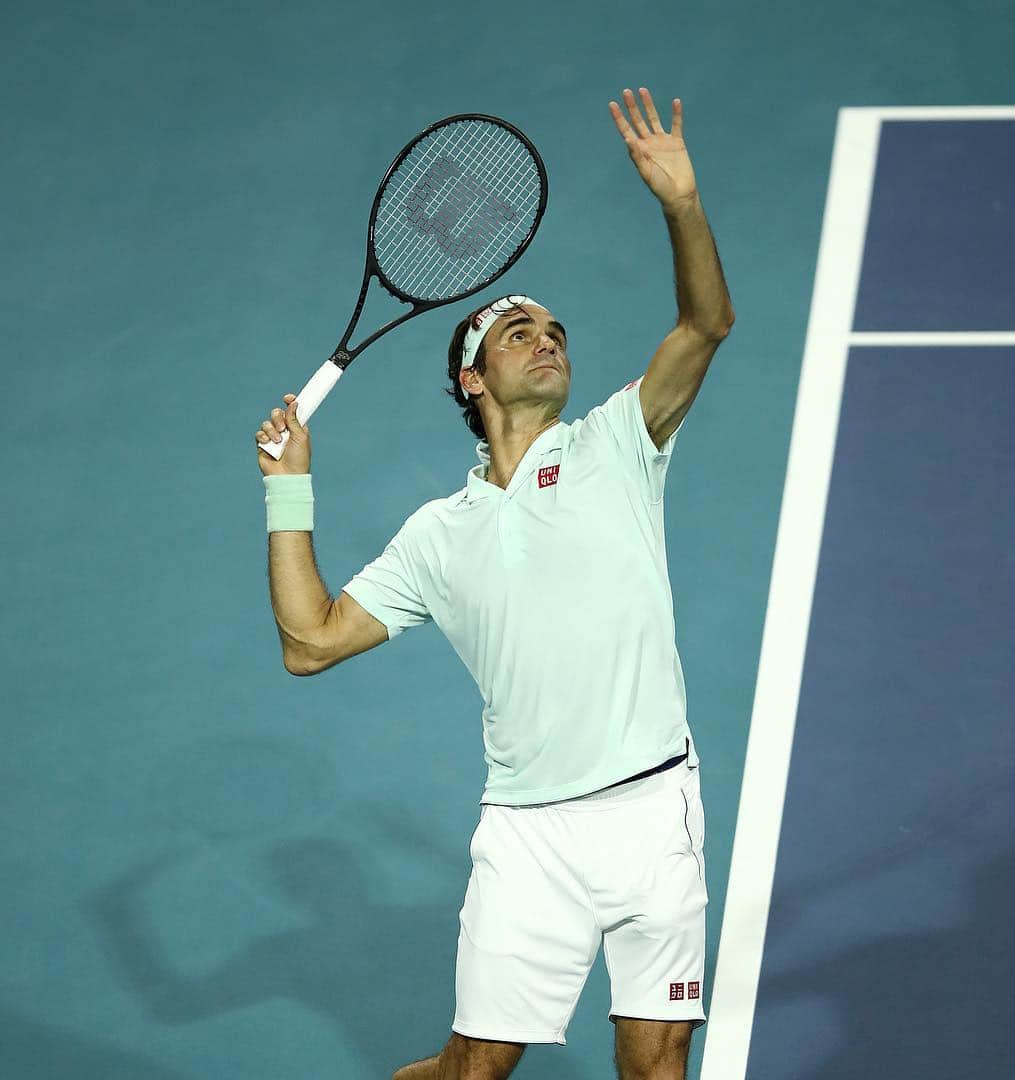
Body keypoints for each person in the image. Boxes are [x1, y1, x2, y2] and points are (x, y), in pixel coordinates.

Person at [256, 87, 734, 1080]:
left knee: (657, 1061)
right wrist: (289, 495)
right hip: (528, 834)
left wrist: (682, 205)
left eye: (554, 330)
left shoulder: (618, 442)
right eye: (518, 332)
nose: (546, 339)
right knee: (471, 1071)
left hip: (652, 807)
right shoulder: (438, 536)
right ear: (472, 379)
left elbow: (705, 323)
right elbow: (309, 643)